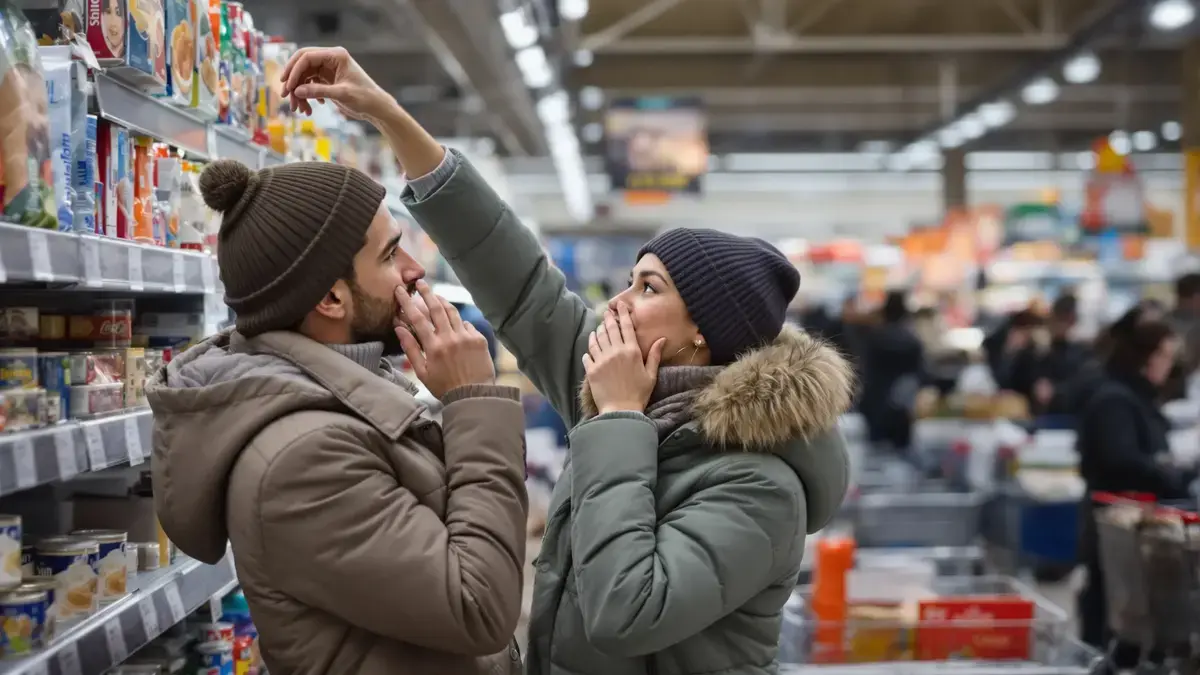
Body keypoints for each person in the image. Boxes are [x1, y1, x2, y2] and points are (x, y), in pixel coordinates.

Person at [277, 47, 853, 674]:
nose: (617, 304)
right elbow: (520, 282)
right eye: (629, 281)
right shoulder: (632, 386)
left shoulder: (760, 485)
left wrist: (619, 419)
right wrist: (388, 115)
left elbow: (627, 612)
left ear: (703, 332)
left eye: (649, 288)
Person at [145, 156, 529, 673]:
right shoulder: (302, 460)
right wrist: (473, 400)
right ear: (330, 297)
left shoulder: (346, 404)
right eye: (390, 254)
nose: (415, 269)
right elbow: (477, 605)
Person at [1075, 319, 1196, 662]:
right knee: (1116, 614)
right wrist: (1169, 474)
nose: (1169, 366)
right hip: (1118, 523)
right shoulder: (1115, 401)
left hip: (1130, 523)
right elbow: (1121, 460)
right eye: (1166, 356)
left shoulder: (1132, 397)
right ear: (1147, 357)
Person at [858, 290, 924, 452]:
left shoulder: (874, 337)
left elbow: (865, 369)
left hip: (876, 402)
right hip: (901, 403)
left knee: (875, 452)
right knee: (901, 452)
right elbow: (920, 372)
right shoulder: (912, 340)